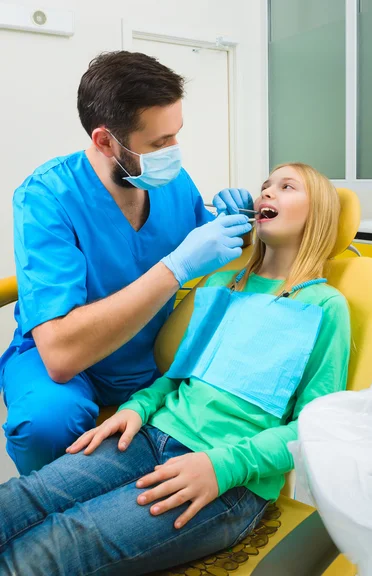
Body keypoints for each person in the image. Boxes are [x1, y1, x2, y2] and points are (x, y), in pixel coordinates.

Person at [0, 163, 351, 575]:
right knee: (25, 498)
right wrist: (136, 407)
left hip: (226, 479)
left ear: (319, 215)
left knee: (60, 544)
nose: (266, 193)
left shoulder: (325, 307)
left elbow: (314, 429)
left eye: (286, 187)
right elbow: (175, 378)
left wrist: (222, 468)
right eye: (265, 185)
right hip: (152, 436)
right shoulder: (222, 286)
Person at [0, 51, 254, 476]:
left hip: (148, 354)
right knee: (46, 422)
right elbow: (61, 353)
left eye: (176, 135)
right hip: (64, 361)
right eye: (159, 143)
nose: (174, 152)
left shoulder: (174, 183)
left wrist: (240, 223)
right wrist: (173, 268)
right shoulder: (47, 197)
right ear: (104, 140)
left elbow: (211, 249)